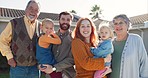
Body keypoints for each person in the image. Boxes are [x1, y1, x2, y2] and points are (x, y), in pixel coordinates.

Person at [0, 0, 41, 78]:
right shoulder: (14, 23)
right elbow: (2, 41)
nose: (33, 12)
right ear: (25, 9)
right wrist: (9, 57)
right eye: (31, 8)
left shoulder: (41, 26)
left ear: (38, 13)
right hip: (17, 68)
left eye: (36, 10)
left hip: (34, 69)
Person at [39, 11, 76, 78]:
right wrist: (40, 64)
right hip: (48, 73)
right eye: (63, 19)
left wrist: (54, 68)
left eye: (68, 20)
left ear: (71, 21)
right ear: (59, 20)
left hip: (66, 73)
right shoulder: (50, 36)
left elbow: (72, 59)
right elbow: (43, 51)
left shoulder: (74, 38)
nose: (65, 22)